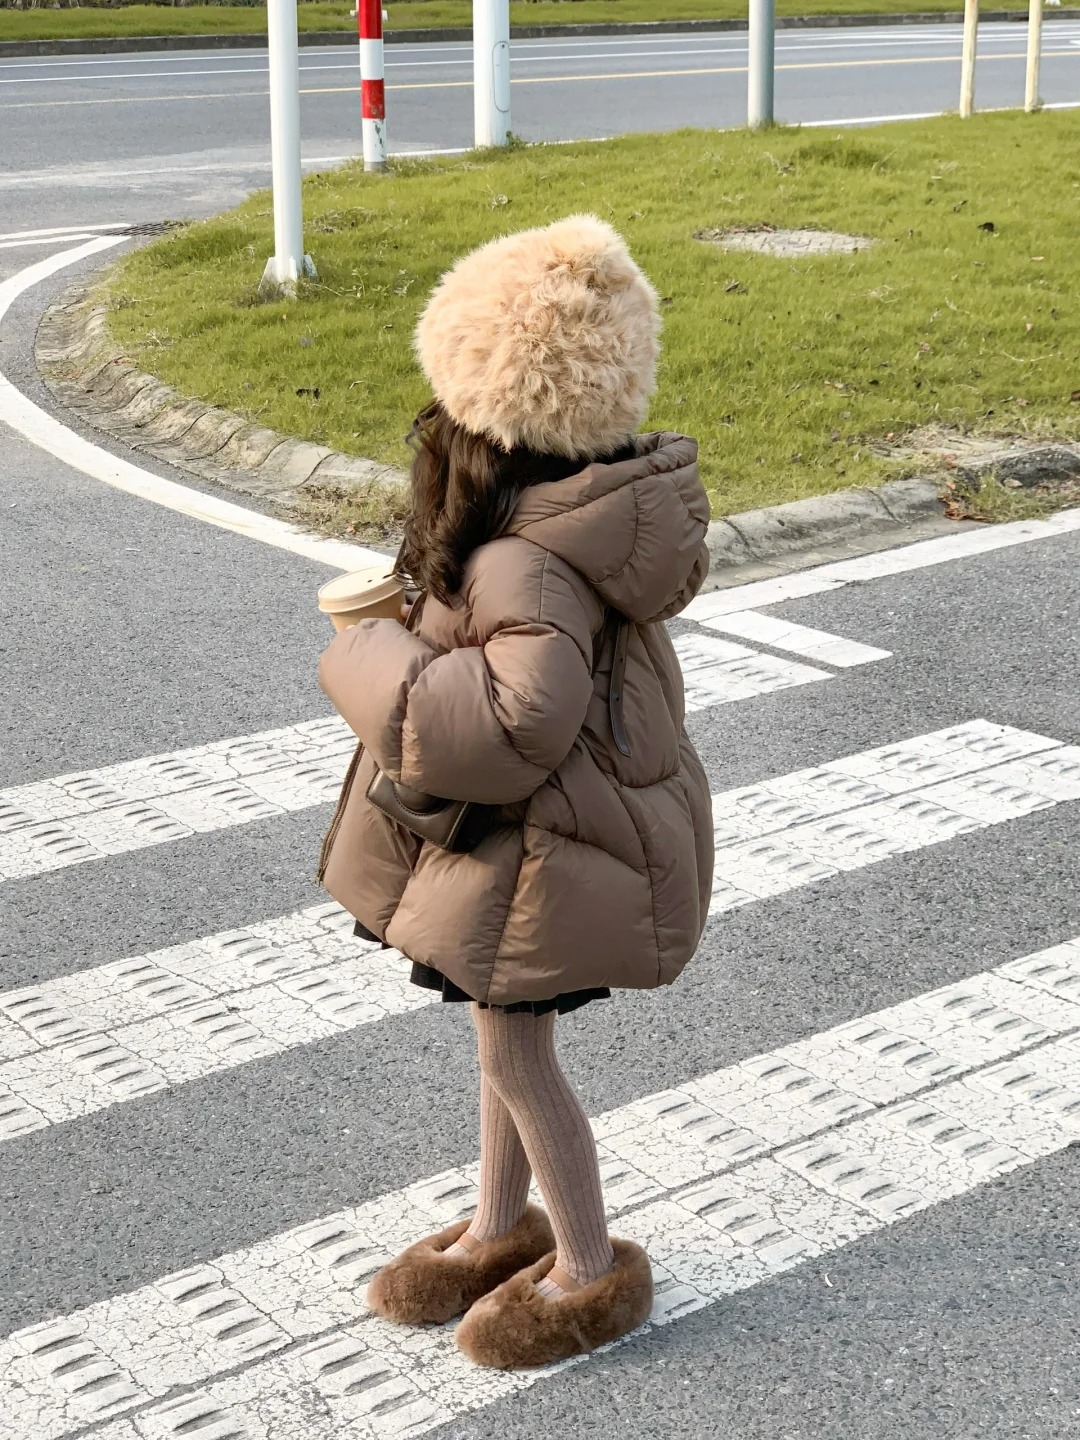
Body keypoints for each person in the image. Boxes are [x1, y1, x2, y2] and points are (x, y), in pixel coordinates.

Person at [318, 214, 715, 1369]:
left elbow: (509, 727)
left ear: (490, 418)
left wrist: (371, 653)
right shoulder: (569, 521)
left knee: (516, 1057)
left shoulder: (524, 560)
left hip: (542, 850)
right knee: (505, 1038)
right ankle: (499, 1228)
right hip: (540, 841)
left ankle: (587, 1269)